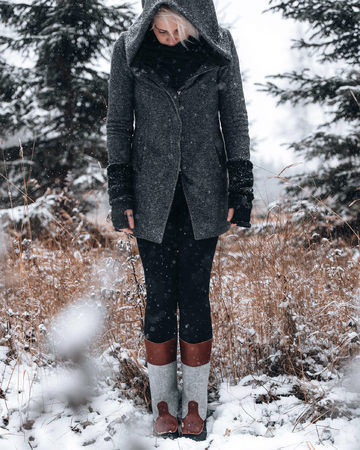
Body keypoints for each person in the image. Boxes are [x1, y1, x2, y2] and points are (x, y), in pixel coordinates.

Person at [106, 0, 253, 441]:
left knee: (194, 296)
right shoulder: (128, 50)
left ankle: (195, 403)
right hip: (150, 197)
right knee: (158, 296)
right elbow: (118, 124)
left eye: (178, 32)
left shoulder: (220, 47)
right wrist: (120, 193)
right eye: (161, 32)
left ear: (197, 23)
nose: (169, 39)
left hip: (203, 193)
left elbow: (235, 119)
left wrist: (240, 186)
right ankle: (163, 404)